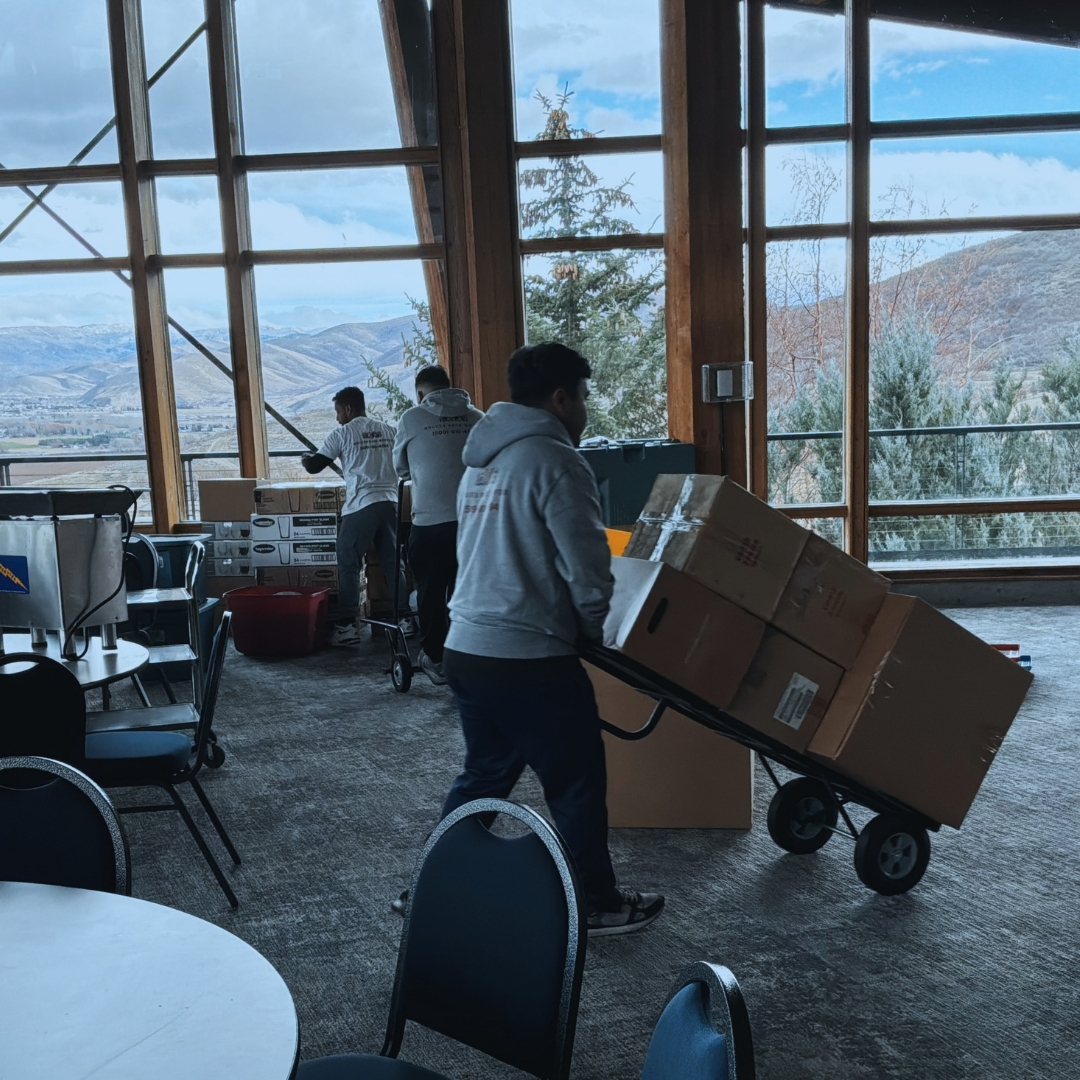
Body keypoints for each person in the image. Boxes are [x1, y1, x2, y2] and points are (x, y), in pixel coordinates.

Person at [439, 342, 665, 936]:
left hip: (467, 646)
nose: (586, 412)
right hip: (529, 656)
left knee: (485, 773)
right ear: (561, 398)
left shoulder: (480, 462)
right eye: (584, 398)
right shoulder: (557, 462)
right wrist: (598, 633)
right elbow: (588, 568)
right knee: (576, 780)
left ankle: (439, 884)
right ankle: (595, 901)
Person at [393, 365, 483, 685]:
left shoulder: (411, 419)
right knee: (466, 591)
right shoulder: (478, 418)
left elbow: (401, 468)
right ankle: (468, 653)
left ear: (420, 394)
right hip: (474, 523)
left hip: (430, 521)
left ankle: (434, 656)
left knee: (430, 590)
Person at [301, 386, 405, 647]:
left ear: (348, 409)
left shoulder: (343, 433)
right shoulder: (390, 430)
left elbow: (315, 466)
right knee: (393, 564)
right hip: (391, 502)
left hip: (361, 506)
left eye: (338, 412)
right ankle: (405, 619)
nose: (337, 418)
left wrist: (305, 459)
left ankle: (347, 625)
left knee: (348, 561)